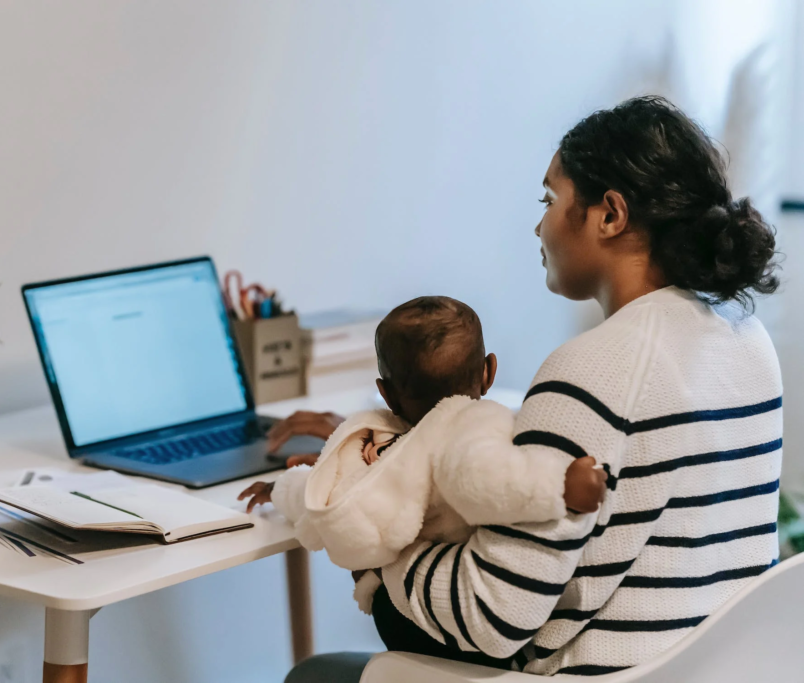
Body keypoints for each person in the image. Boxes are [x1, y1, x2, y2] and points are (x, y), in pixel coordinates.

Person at [279, 96, 782, 681]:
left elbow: (492, 617)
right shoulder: (746, 339)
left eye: (550, 199)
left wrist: (373, 524)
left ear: (609, 215)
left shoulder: (593, 366)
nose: (539, 225)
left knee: (318, 673)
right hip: (712, 669)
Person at [238, 297, 606, 616]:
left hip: (409, 611)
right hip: (439, 607)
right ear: (489, 372)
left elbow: (321, 498)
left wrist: (278, 489)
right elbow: (494, 480)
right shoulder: (472, 432)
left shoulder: (380, 451)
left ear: (386, 394)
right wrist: (561, 485)